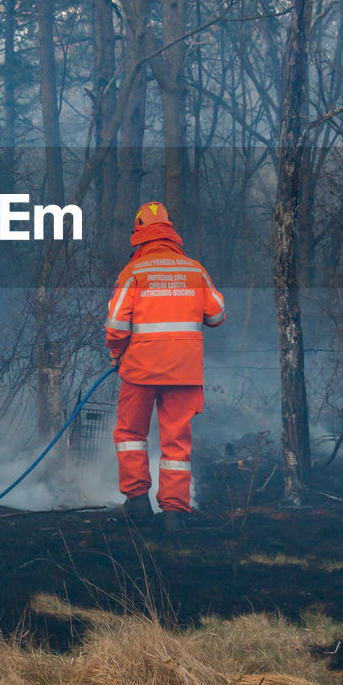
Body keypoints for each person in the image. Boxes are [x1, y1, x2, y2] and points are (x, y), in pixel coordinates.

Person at [104, 202, 225, 531]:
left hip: (140, 370)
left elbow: (116, 324)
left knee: (131, 434)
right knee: (176, 442)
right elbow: (216, 315)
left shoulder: (134, 273)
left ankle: (138, 501)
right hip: (184, 372)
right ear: (170, 231)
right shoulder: (195, 270)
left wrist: (116, 354)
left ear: (139, 235)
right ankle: (173, 513)